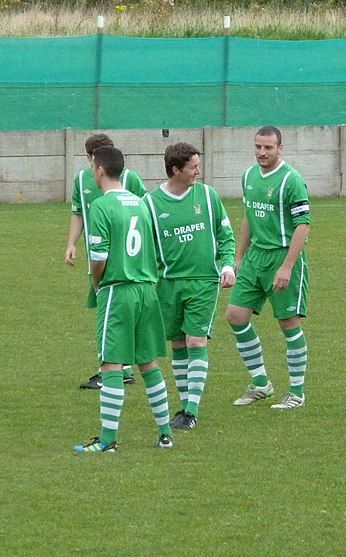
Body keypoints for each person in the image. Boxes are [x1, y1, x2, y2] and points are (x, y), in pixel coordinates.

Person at [73, 146, 172, 453]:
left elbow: (99, 257)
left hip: (118, 290)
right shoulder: (141, 203)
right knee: (148, 362)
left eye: (93, 167)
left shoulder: (101, 206)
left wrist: (98, 283)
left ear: (100, 170)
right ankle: (165, 434)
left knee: (111, 365)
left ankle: (107, 441)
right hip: (146, 290)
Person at [143, 142, 236, 430]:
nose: (198, 171)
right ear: (175, 170)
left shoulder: (207, 196)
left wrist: (228, 263)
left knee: (196, 340)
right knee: (178, 344)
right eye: (193, 167)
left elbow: (226, 234)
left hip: (203, 283)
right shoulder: (150, 203)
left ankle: (191, 411)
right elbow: (147, 249)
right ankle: (184, 408)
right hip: (168, 284)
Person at [225, 126, 311, 409]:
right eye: (258, 147)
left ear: (280, 149)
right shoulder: (248, 176)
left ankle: (296, 393)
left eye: (268, 148)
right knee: (236, 315)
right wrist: (239, 257)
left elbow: (303, 226)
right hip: (255, 258)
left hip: (281, 256)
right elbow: (248, 217)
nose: (262, 152)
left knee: (288, 323)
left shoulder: (291, 180)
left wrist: (287, 267)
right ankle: (261, 383)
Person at [65, 133, 148, 390]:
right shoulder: (81, 180)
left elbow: (145, 210)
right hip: (99, 256)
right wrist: (71, 243)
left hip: (119, 262)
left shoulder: (129, 179)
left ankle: (115, 369)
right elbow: (78, 213)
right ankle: (122, 367)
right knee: (114, 313)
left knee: (112, 313)